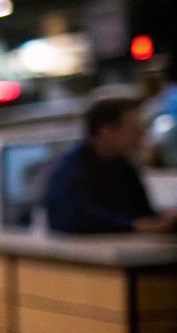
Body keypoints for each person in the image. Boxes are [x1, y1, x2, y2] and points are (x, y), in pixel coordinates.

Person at [44, 97, 177, 234]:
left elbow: (142, 212)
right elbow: (74, 218)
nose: (142, 138)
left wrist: (164, 219)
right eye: (134, 131)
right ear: (106, 132)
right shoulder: (70, 170)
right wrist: (133, 226)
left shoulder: (123, 166)